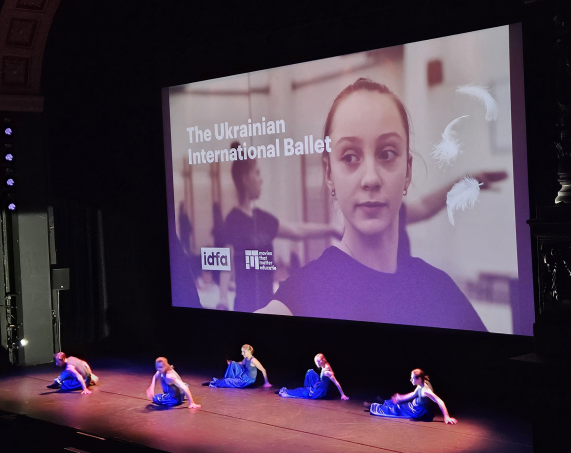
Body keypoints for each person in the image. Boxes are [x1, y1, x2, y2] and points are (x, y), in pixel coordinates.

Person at [256, 78, 487, 332]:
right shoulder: (303, 292)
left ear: (408, 171)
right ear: (329, 173)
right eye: (350, 157)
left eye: (387, 154)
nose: (371, 179)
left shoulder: (439, 290)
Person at [218, 141, 341, 312]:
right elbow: (227, 261)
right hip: (245, 310)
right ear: (246, 179)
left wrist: (331, 228)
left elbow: (297, 230)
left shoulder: (262, 218)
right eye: (257, 173)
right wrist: (222, 299)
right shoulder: (233, 220)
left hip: (267, 308)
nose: (261, 180)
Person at [367, 369, 456, 424]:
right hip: (415, 405)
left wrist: (446, 416)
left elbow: (439, 400)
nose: (411, 380)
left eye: (412, 378)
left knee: (397, 410)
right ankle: (383, 402)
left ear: (419, 379)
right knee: (398, 403)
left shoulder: (426, 390)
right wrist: (401, 398)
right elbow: (413, 394)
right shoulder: (421, 384)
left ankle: (374, 407)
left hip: (419, 412)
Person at [278, 353, 349, 400]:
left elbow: (336, 383)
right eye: (316, 362)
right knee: (310, 371)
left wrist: (342, 395)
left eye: (318, 362)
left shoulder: (327, 372)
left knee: (302, 392)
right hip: (319, 384)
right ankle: (307, 388)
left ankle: (288, 391)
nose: (317, 363)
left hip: (320, 390)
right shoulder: (325, 364)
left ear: (323, 360)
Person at [203, 344, 271, 388]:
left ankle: (218, 382)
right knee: (233, 363)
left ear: (249, 352)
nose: (242, 353)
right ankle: (226, 380)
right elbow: (241, 363)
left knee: (227, 381)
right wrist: (232, 363)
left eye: (244, 352)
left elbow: (263, 370)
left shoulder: (253, 360)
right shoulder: (246, 358)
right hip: (244, 375)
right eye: (242, 352)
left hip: (247, 380)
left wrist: (266, 382)